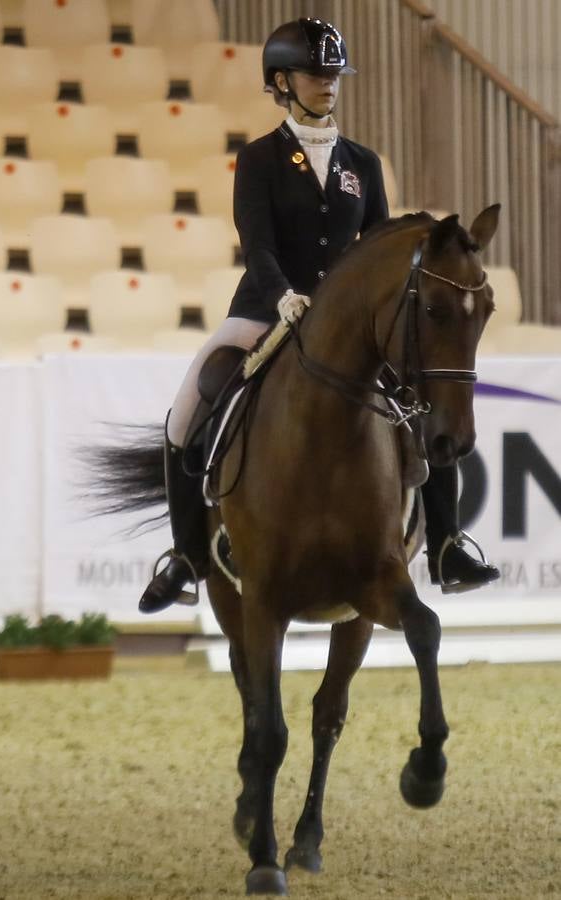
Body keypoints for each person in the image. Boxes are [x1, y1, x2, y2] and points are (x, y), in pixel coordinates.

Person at [138, 17, 500, 614]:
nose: (328, 83)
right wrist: (282, 292)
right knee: (185, 415)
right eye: (315, 73)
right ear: (282, 81)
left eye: (334, 73)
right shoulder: (259, 159)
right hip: (266, 310)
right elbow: (255, 243)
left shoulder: (364, 161)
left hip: (349, 326)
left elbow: (381, 242)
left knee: (418, 410)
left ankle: (446, 545)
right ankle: (186, 558)